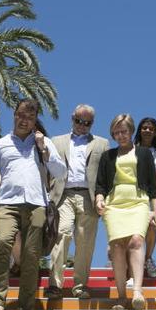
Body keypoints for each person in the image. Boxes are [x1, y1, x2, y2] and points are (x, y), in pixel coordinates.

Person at [0, 99, 65, 310]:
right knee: (2, 242)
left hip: (37, 204)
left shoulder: (43, 142)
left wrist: (44, 148)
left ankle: (26, 308)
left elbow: (59, 171)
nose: (24, 120)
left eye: (30, 116)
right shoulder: (0, 144)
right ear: (14, 115)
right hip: (7, 202)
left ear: (35, 120)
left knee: (31, 256)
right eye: (21, 115)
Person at [95, 114, 156, 310]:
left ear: (131, 131)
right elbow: (100, 184)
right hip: (114, 204)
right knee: (116, 245)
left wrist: (155, 210)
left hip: (138, 202)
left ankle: (138, 292)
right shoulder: (107, 156)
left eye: (124, 131)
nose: (120, 135)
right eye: (116, 132)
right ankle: (121, 296)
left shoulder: (144, 153)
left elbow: (153, 186)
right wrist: (99, 198)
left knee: (136, 241)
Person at [47, 105, 110, 300]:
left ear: (92, 123)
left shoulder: (102, 143)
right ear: (72, 118)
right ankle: (55, 284)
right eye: (79, 121)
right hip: (62, 195)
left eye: (87, 123)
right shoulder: (56, 141)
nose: (82, 125)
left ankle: (80, 285)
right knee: (61, 233)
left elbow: (106, 174)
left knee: (85, 241)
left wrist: (104, 197)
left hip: (88, 197)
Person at [134, 117, 156, 278]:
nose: (147, 131)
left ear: (155, 133)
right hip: (129, 197)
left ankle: (147, 258)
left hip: (148, 198)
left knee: (153, 227)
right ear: (139, 130)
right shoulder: (130, 150)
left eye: (151, 128)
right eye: (144, 128)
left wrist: (155, 205)